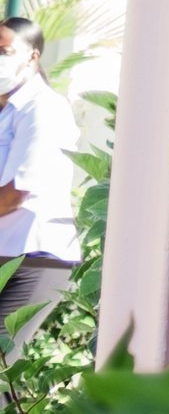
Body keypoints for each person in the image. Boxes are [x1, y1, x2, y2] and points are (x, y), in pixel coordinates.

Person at [0, 18, 83, 362]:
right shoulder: (7, 111)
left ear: (32, 57)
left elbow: (18, 191)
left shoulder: (45, 108)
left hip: (36, 260)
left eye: (4, 51)